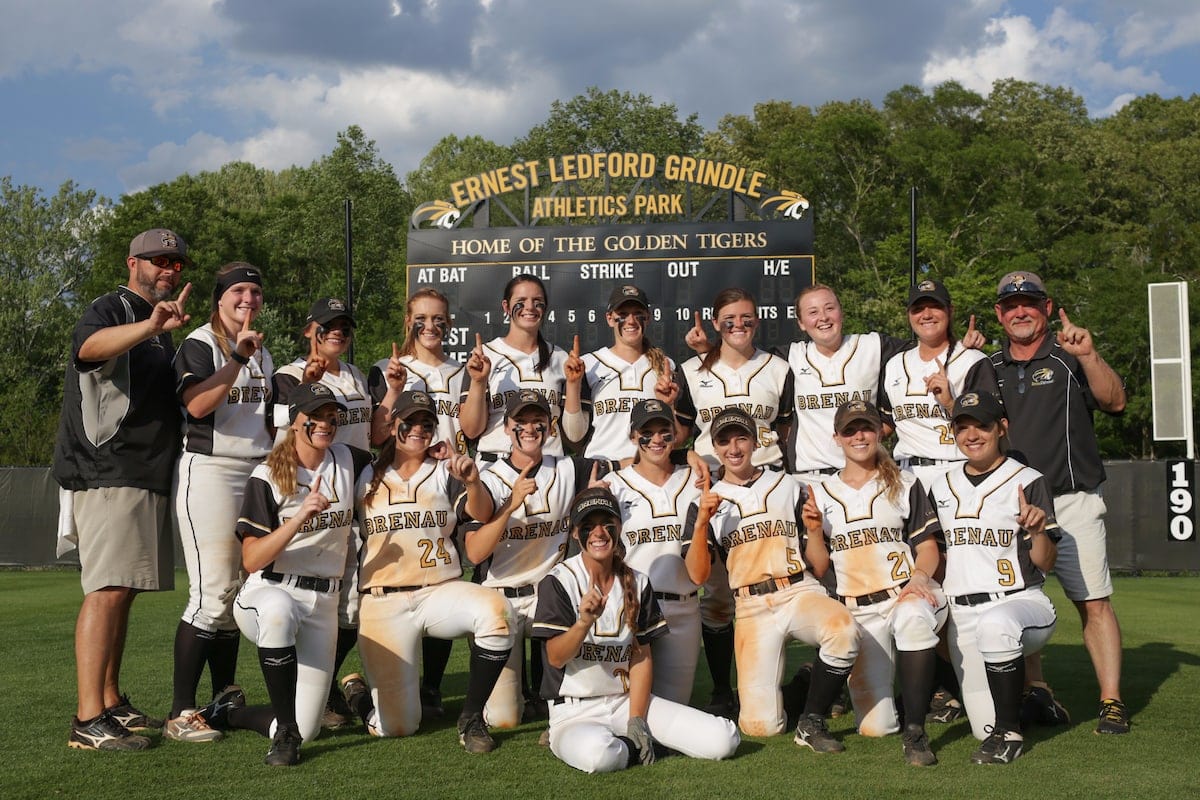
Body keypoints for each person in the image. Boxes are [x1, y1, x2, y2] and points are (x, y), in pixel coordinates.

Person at [55, 228, 193, 750]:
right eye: (159, 260)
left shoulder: (156, 325)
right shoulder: (113, 306)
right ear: (132, 262)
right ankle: (87, 718)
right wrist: (147, 325)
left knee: (124, 590)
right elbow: (88, 348)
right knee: (107, 588)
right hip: (108, 467)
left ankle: (110, 701)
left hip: (143, 470)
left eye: (177, 263)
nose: (169, 269)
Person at [202, 382, 372, 765]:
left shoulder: (348, 459)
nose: (326, 422)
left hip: (324, 600)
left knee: (310, 725)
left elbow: (395, 460)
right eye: (315, 416)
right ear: (295, 422)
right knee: (278, 613)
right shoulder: (268, 474)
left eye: (332, 415)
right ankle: (286, 738)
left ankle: (231, 712)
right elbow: (251, 560)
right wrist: (298, 518)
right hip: (269, 592)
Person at [989, 270, 1130, 735]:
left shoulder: (1070, 355)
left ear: (1047, 308)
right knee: (1020, 599)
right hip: (1016, 504)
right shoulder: (989, 366)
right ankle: (1037, 689)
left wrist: (1089, 355)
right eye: (1010, 305)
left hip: (1072, 500)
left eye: (1029, 302)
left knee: (1093, 602)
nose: (1020, 311)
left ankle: (1111, 701)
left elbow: (1114, 402)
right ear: (999, 313)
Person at [341, 390, 514, 754]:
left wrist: (471, 480)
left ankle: (470, 719)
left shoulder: (444, 470)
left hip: (439, 590)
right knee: (399, 726)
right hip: (383, 601)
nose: (419, 429)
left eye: (427, 423)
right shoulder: (362, 470)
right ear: (392, 425)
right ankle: (358, 697)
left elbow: (482, 513)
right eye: (411, 422)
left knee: (497, 612)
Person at [684, 408, 860, 750]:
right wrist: (702, 522)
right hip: (750, 607)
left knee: (844, 631)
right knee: (761, 726)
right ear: (714, 447)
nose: (733, 448)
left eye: (741, 438)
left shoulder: (788, 485)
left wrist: (813, 531)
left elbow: (820, 567)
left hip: (797, 590)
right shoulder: (707, 501)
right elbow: (697, 575)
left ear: (755, 440)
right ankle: (808, 680)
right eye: (724, 441)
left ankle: (811, 720)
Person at [531, 488, 741, 773]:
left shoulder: (637, 581)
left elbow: (641, 657)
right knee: (599, 756)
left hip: (625, 701)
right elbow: (555, 658)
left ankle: (635, 740)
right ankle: (631, 746)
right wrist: (583, 623)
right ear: (576, 534)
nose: (599, 532)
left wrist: (637, 720)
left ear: (619, 528)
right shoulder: (558, 581)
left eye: (607, 523)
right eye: (589, 526)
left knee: (723, 740)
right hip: (574, 711)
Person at [803, 400, 947, 766]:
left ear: (880, 431)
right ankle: (816, 718)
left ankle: (916, 732)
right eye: (850, 430)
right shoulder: (819, 491)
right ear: (836, 438)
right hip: (857, 607)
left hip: (903, 593)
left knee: (915, 618)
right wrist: (815, 532)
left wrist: (919, 579)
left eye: (866, 427)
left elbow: (928, 548)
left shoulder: (904, 481)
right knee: (877, 727)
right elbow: (819, 568)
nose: (859, 436)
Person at [675, 287, 794, 719]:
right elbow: (678, 430)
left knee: (780, 582)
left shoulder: (779, 369)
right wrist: (686, 451)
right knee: (719, 594)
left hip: (769, 482)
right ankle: (723, 688)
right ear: (715, 321)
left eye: (746, 317)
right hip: (716, 487)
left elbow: (786, 430)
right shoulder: (691, 370)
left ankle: (780, 677)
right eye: (729, 319)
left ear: (757, 319)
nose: (738, 326)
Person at [464, 390, 613, 730]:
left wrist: (689, 458)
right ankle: (481, 712)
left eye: (538, 421)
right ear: (506, 428)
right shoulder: (487, 478)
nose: (530, 428)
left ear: (550, 427)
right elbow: (475, 553)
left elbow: (634, 461)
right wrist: (511, 503)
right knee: (504, 719)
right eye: (521, 422)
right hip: (501, 598)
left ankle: (555, 698)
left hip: (549, 596)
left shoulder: (570, 468)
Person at [168, 261, 272, 742]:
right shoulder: (201, 343)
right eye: (238, 291)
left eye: (254, 291)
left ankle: (223, 696)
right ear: (220, 299)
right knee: (210, 595)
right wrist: (237, 356)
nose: (247, 299)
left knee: (233, 595)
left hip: (254, 470)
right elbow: (196, 405)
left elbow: (267, 422)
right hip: (210, 471)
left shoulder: (265, 354)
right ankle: (180, 712)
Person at [926, 390, 1060, 764]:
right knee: (982, 726)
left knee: (997, 626)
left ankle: (1011, 735)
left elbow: (1046, 562)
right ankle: (1035, 705)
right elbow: (936, 553)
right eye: (962, 426)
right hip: (963, 613)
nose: (971, 435)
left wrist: (1038, 532)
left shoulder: (1029, 480)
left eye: (981, 425)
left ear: (1001, 428)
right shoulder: (941, 485)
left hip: (1019, 602)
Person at [270, 297, 371, 729]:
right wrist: (300, 388)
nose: (338, 333)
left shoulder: (358, 376)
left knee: (353, 600)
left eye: (344, 326)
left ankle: (326, 682)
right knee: (299, 598)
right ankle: (312, 686)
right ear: (309, 329)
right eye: (329, 325)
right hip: (304, 486)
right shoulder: (287, 375)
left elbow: (373, 433)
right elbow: (274, 433)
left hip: (351, 482)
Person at [367, 287, 467, 721]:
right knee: (395, 578)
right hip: (398, 482)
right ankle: (378, 678)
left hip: (445, 481)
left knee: (442, 577)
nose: (432, 326)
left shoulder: (462, 371)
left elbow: (473, 428)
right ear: (408, 321)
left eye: (440, 318)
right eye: (422, 318)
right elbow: (375, 436)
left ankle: (431, 686)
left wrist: (479, 383)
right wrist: (390, 390)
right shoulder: (389, 368)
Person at [605, 400, 704, 705]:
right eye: (647, 432)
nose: (657, 439)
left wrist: (689, 453)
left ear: (676, 434)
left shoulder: (697, 479)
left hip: (683, 609)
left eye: (665, 431)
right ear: (633, 436)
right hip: (633, 607)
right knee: (621, 704)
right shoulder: (614, 485)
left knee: (674, 707)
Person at [879, 280, 998, 487]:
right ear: (909, 315)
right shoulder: (895, 364)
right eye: (917, 309)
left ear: (950, 311)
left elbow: (993, 428)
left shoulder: (972, 361)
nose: (926, 315)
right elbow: (887, 422)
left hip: (957, 470)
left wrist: (951, 404)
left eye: (935, 306)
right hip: (906, 475)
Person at [460, 275, 575, 460]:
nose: (530, 307)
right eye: (521, 301)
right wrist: (479, 381)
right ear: (506, 307)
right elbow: (471, 430)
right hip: (496, 464)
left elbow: (574, 435)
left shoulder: (560, 358)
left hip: (549, 466)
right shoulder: (486, 355)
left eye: (537, 301)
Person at [573, 285, 681, 461]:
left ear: (648, 318)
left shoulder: (665, 366)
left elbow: (677, 438)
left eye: (638, 313)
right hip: (601, 466)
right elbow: (574, 436)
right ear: (610, 318)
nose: (631, 321)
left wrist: (667, 407)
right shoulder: (590, 364)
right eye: (622, 314)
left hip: (647, 469)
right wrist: (572, 384)